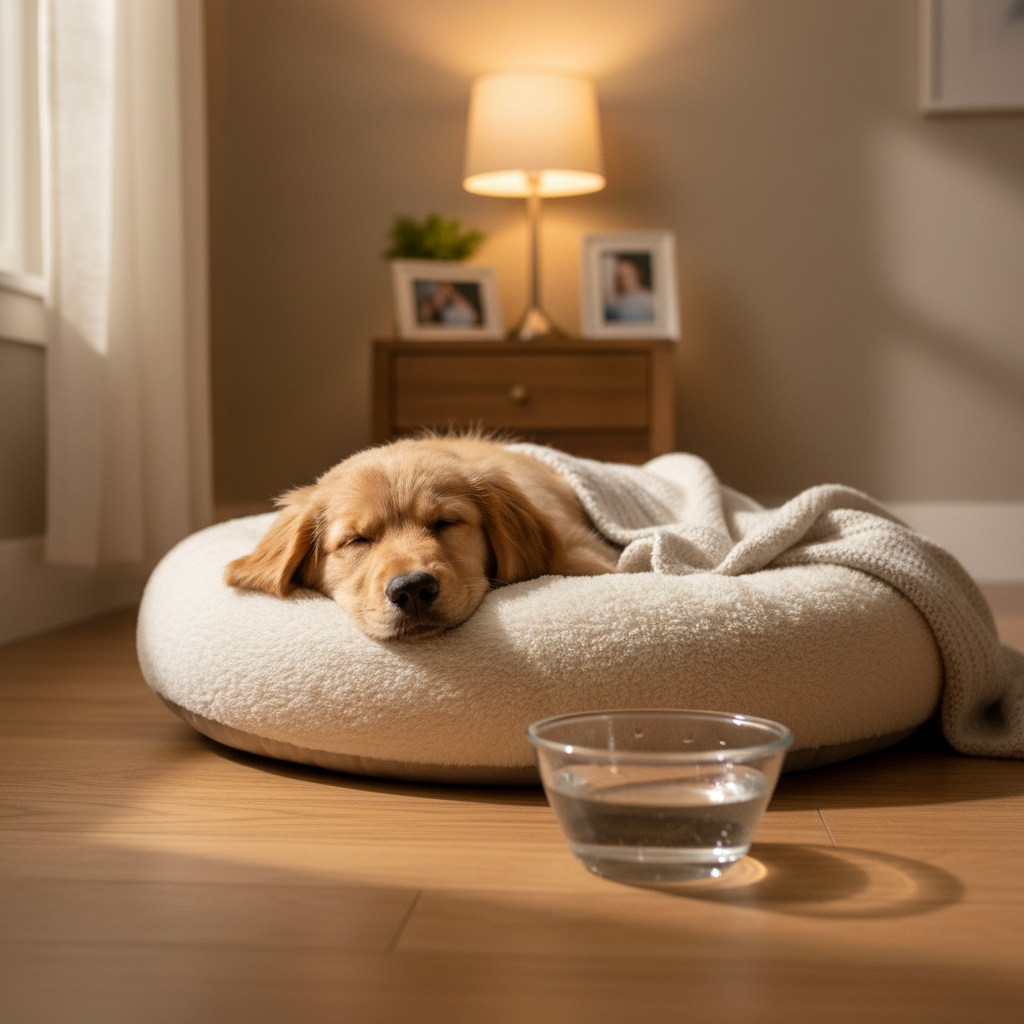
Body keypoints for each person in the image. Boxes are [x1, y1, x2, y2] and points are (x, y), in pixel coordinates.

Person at [604, 254, 655, 322]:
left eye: (628, 275)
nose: (624, 280)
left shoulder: (649, 298)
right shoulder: (614, 301)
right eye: (620, 277)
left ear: (637, 275)